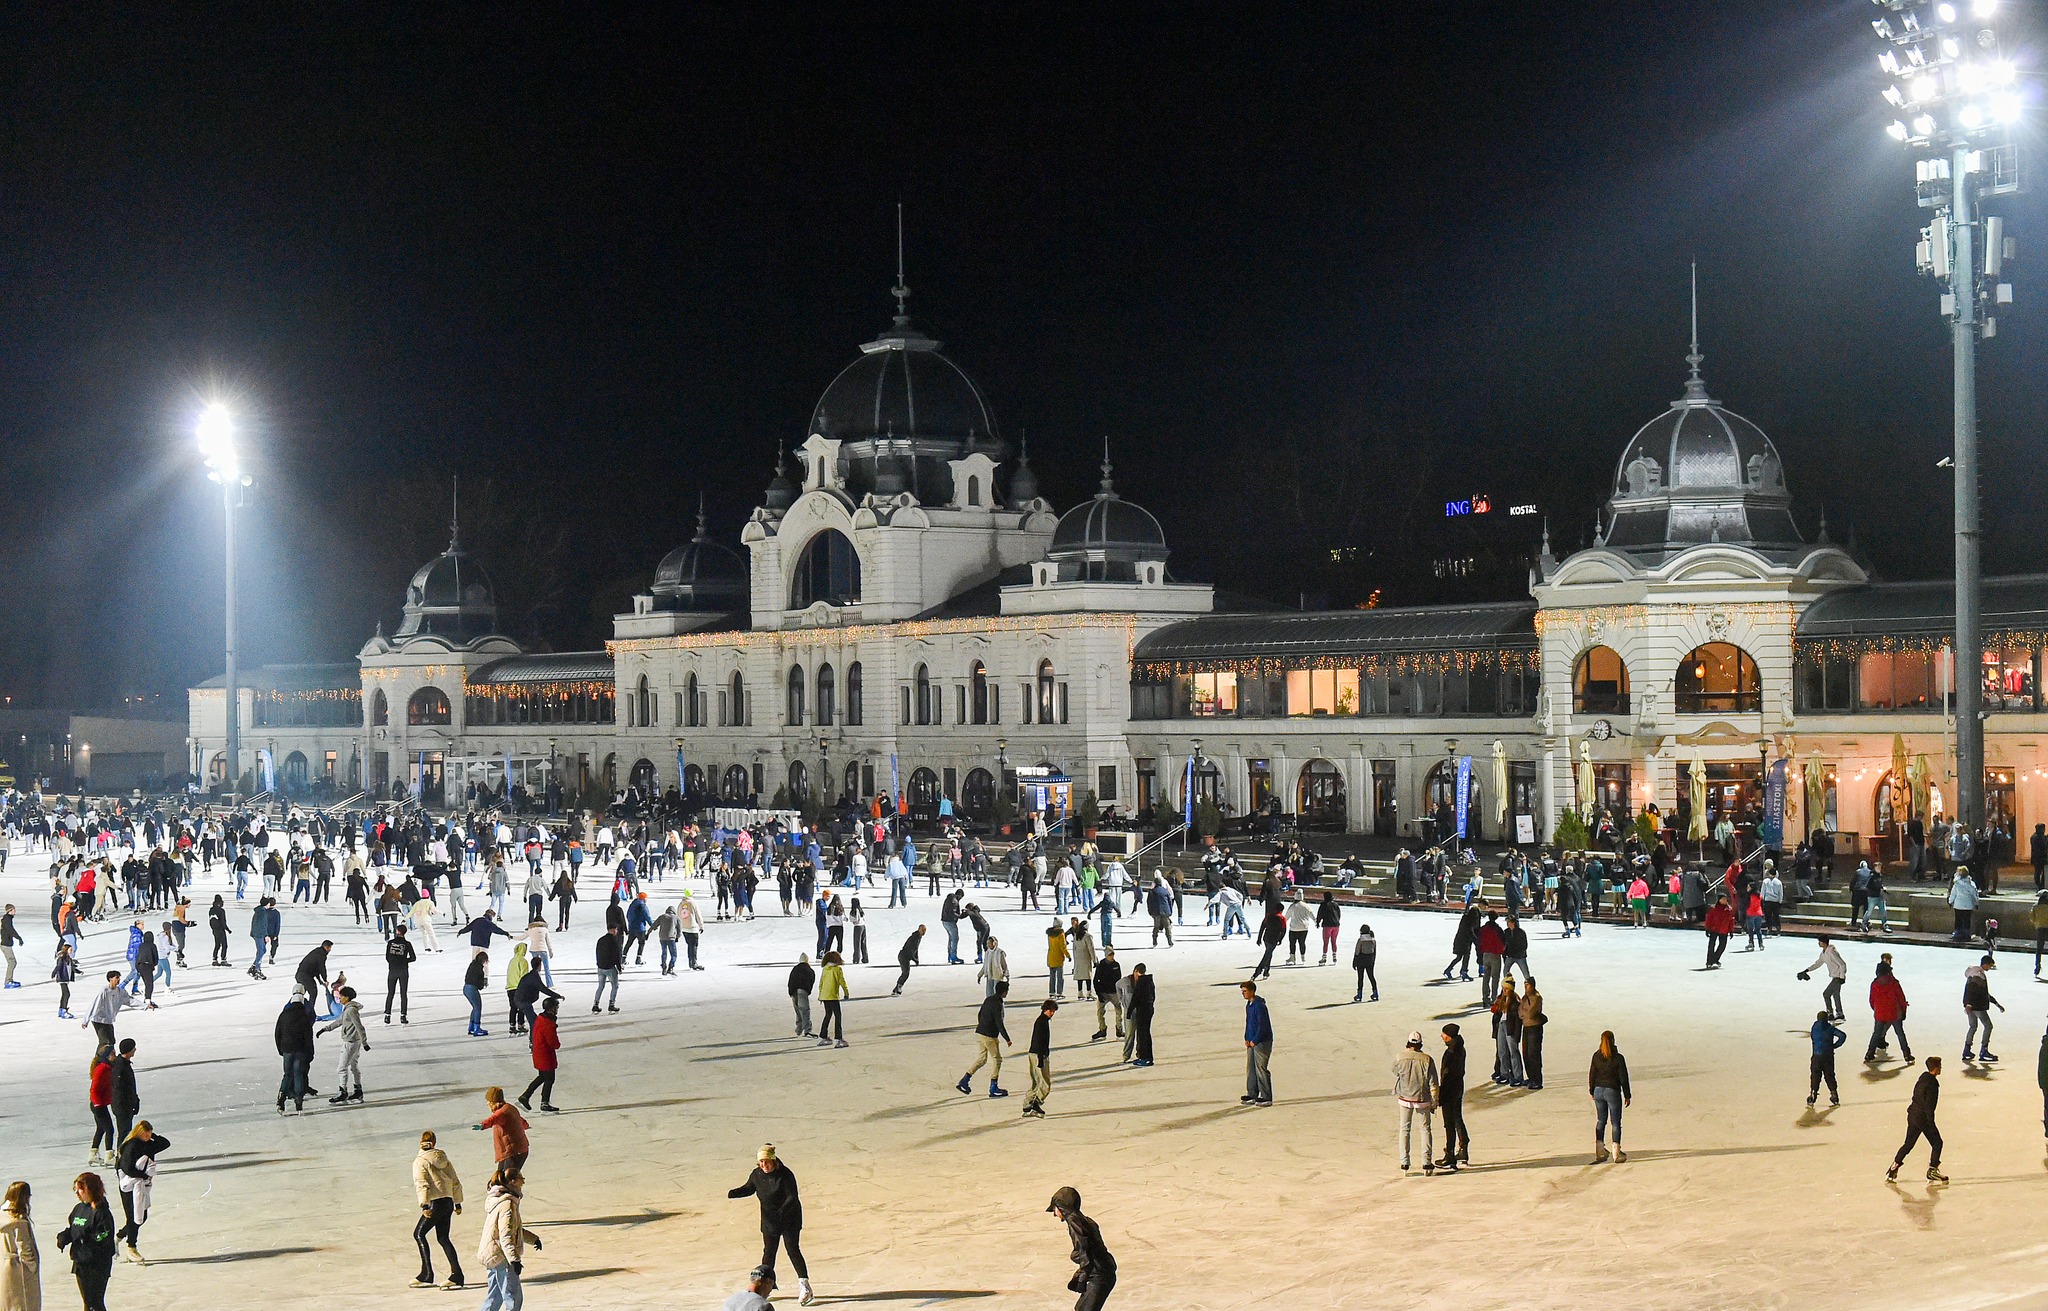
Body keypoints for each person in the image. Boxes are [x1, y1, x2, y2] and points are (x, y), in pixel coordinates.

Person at [728, 1145, 813, 1306]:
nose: (764, 1165)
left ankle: (805, 1286)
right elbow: (749, 1188)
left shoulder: (785, 1175)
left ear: (773, 1160)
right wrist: (733, 1193)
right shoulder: (757, 1175)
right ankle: (764, 1287)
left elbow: (792, 1197)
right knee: (769, 1254)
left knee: (793, 1250)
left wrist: (781, 1212)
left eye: (766, 1162)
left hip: (790, 1220)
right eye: (761, 1162)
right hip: (769, 1221)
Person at [476, 1166, 540, 1311]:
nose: (522, 1185)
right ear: (512, 1182)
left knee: (495, 1296)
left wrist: (533, 1239)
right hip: (501, 1256)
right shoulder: (508, 1204)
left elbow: (513, 1229)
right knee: (513, 1297)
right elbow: (506, 1235)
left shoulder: (498, 1199)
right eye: (520, 1182)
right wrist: (514, 1260)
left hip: (492, 1254)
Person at [1045, 1186, 1116, 1311]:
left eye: (1055, 1208)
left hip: (1100, 1276)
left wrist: (1082, 1278)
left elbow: (1084, 1251)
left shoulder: (1075, 1223)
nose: (1055, 1214)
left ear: (1061, 1207)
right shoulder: (1086, 1221)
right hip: (1103, 1273)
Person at [411, 1130, 465, 1290]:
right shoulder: (444, 1159)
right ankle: (457, 1275)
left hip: (434, 1203)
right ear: (434, 1142)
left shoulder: (420, 1161)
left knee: (419, 1234)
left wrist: (425, 1205)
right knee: (443, 1238)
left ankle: (426, 1274)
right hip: (447, 1202)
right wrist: (457, 1203)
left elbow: (422, 1183)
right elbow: (455, 1180)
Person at [54, 1173, 114, 1311]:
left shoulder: (102, 1212)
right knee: (88, 1301)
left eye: (80, 1189)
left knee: (95, 1302)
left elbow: (104, 1235)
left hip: (97, 1264)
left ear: (90, 1189)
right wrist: (65, 1236)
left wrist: (87, 1240)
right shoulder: (79, 1209)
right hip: (80, 1262)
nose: (77, 1193)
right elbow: (74, 1228)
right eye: (75, 1190)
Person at [112, 1120, 166, 1264]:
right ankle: (131, 1248)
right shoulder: (131, 1145)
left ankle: (119, 1236)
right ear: (139, 1133)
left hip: (142, 1185)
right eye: (146, 1134)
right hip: (129, 1186)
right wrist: (143, 1175)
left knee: (142, 1216)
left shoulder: (148, 1144)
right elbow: (126, 1167)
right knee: (133, 1217)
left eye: (150, 1134)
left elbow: (165, 1143)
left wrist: (152, 1135)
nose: (149, 1137)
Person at [1887, 1057, 1948, 1183]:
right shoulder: (1932, 1084)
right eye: (1940, 1066)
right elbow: (1929, 1106)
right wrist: (1931, 1123)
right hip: (1923, 1118)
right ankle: (1932, 1170)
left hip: (1913, 1114)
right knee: (1937, 1143)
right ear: (1936, 1068)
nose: (1941, 1068)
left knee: (1908, 1144)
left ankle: (1894, 1167)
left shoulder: (1922, 1079)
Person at [1391, 1030, 1439, 1174]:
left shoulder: (1400, 1057)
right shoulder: (1427, 1059)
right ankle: (1426, 1161)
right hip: (1422, 1098)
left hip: (1405, 1097)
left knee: (1404, 1129)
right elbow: (1433, 1082)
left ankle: (1404, 1162)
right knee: (1425, 1129)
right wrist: (1434, 1101)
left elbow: (1394, 1071)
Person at [958, 980, 1012, 1098]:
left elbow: (980, 1014)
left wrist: (982, 1025)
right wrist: (1007, 1038)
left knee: (982, 1059)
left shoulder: (988, 999)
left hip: (980, 1033)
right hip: (989, 1036)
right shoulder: (997, 1003)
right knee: (997, 1059)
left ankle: (964, 1080)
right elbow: (999, 1022)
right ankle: (993, 1087)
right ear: (1004, 992)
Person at [317, 985, 369, 1104]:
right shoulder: (348, 1008)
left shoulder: (351, 1010)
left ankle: (342, 1092)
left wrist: (365, 1042)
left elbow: (359, 1026)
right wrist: (326, 1029)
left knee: (342, 1068)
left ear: (347, 997)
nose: (339, 999)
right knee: (353, 1066)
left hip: (350, 1042)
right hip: (354, 1040)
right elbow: (340, 1021)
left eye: (341, 997)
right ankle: (358, 1090)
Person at [1589, 1030, 1631, 1163]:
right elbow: (1623, 1078)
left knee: (1601, 1120)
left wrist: (1592, 1091)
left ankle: (1600, 1149)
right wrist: (1627, 1095)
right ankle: (1616, 1152)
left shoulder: (1596, 1056)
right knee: (1615, 1122)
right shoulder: (1618, 1058)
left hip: (1598, 1091)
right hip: (1612, 1091)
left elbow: (1592, 1075)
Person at [274, 988, 315, 1114]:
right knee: (298, 1074)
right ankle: (298, 1101)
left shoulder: (283, 1015)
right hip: (300, 1050)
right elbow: (308, 1036)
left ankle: (281, 1096)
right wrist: (310, 1052)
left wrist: (280, 1049)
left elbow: (277, 1033)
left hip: (286, 1049)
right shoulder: (304, 1016)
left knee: (287, 1074)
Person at [1866, 959, 1913, 1063]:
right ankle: (1907, 1054)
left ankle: (1869, 1053)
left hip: (1880, 1013)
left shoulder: (1874, 984)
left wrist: (1877, 1010)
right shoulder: (1894, 983)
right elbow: (1901, 998)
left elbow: (1871, 1000)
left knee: (1876, 1033)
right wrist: (1904, 1011)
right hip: (1894, 1013)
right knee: (1900, 1034)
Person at [520, 998, 563, 1113]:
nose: (557, 1009)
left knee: (544, 1077)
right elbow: (553, 1042)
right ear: (552, 1008)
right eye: (556, 1007)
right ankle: (532, 1099)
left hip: (539, 1052)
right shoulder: (548, 1023)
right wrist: (557, 1044)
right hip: (545, 1054)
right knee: (548, 1078)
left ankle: (529, 1099)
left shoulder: (541, 1019)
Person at [1436, 1024, 1469, 1171]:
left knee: (1449, 1123)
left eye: (1443, 1034)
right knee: (1457, 1118)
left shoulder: (1451, 1052)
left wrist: (1440, 1094)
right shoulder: (1459, 1048)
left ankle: (1449, 1155)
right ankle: (1463, 1148)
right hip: (1458, 1088)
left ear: (1449, 1036)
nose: (1441, 1036)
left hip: (1450, 1090)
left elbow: (1446, 1075)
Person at [0, 1181, 37, 1311]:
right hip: (17, 1268)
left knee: (6, 1304)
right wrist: (32, 1267)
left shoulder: (2, 1215)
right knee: (22, 1303)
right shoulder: (18, 1219)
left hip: (2, 1266)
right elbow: (25, 1248)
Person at [1962, 954, 2004, 1062]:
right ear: (1985, 964)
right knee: (1988, 1026)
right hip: (1978, 1007)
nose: (1990, 967)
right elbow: (1973, 990)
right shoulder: (1978, 976)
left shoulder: (1974, 973)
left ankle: (1967, 1050)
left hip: (1971, 1007)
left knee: (1973, 1027)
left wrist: (1996, 1004)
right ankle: (1984, 1050)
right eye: (1990, 965)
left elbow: (1982, 993)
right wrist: (1969, 1004)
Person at [478, 1087, 529, 1175]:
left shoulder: (502, 1112)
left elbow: (493, 1119)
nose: (487, 1104)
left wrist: (482, 1125)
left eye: (489, 1102)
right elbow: (519, 1120)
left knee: (507, 1180)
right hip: (514, 1151)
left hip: (514, 1152)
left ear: (495, 1102)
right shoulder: (510, 1108)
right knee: (500, 1178)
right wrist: (525, 1125)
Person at [1022, 998, 1058, 1118]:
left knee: (1036, 1082)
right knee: (1045, 1083)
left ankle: (1027, 1104)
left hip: (1034, 1054)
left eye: (1053, 1011)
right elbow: (1038, 1040)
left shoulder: (1042, 1021)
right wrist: (1041, 1059)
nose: (1052, 1013)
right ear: (1045, 1010)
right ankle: (1036, 1103)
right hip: (1038, 1055)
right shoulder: (1041, 1022)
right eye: (1051, 1011)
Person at [1798, 936, 1847, 1020]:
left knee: (1826, 994)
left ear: (1824, 942)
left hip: (1837, 977)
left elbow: (1842, 964)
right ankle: (1840, 1013)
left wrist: (1842, 977)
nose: (1818, 943)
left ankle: (1830, 1013)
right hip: (1835, 976)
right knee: (1836, 995)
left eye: (1820, 942)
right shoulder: (1824, 953)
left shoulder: (1831, 952)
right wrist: (1806, 970)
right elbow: (1818, 963)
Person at [1808, 1009, 1845, 1108]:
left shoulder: (1814, 1027)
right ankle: (1834, 1094)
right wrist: (1835, 1045)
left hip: (1816, 1056)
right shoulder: (1830, 1028)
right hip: (1828, 1056)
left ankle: (1813, 1093)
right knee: (1829, 1075)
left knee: (1815, 1074)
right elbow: (1842, 1036)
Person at [384, 924, 417, 1025]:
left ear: (397, 931)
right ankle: (403, 1016)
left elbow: (387, 957)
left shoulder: (390, 943)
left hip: (392, 971)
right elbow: (413, 958)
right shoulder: (407, 944)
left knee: (390, 993)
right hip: (403, 971)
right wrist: (404, 961)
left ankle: (387, 1015)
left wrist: (394, 962)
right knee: (403, 994)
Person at [1519, 979, 1547, 1091]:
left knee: (1534, 1054)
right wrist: (1525, 1011)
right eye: (1525, 985)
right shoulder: (1524, 998)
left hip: (1535, 1028)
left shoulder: (1536, 997)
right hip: (1526, 1028)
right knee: (1526, 1053)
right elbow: (1520, 1012)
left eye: (1528, 985)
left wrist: (1524, 1011)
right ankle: (1530, 1077)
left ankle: (1537, 1080)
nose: (1526, 987)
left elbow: (1531, 1014)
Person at [817, 951, 849, 1048]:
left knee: (828, 1014)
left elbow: (821, 982)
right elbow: (842, 982)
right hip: (832, 996)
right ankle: (839, 1038)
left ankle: (823, 1036)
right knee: (838, 1016)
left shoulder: (825, 969)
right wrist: (846, 992)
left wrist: (820, 995)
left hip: (824, 996)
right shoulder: (837, 970)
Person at [1090, 948, 1123, 1043]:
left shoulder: (1116, 965)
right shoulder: (1101, 965)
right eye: (1110, 955)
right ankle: (1102, 1029)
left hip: (1113, 992)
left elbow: (1119, 980)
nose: (1112, 957)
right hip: (1103, 993)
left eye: (1112, 954)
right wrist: (1098, 993)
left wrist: (1119, 992)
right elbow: (1096, 980)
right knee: (1100, 1012)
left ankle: (1119, 1029)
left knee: (1118, 1010)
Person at [1126, 964, 1155, 1067]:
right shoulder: (1150, 981)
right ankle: (1149, 1057)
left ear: (1136, 971)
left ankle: (1143, 1058)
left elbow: (1135, 998)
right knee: (1147, 1033)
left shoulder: (1140, 982)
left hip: (1142, 1011)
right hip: (1150, 1009)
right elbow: (1153, 995)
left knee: (1142, 1035)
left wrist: (1129, 1013)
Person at [592, 925, 623, 1013]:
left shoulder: (601, 940)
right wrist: (619, 968)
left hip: (601, 967)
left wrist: (599, 963)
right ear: (613, 930)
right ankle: (611, 1005)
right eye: (616, 929)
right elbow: (616, 955)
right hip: (610, 967)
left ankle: (595, 1004)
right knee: (615, 986)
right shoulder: (613, 941)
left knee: (601, 986)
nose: (616, 931)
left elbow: (597, 952)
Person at [1947, 866, 1980, 942]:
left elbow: (1953, 894)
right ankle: (1966, 933)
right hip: (1968, 905)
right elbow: (1975, 894)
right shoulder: (1971, 884)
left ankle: (1957, 933)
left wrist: (1950, 901)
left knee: (1958, 920)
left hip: (1958, 905)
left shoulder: (1957, 884)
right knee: (1967, 920)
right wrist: (1976, 903)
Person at [890, 927, 924, 997]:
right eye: (922, 930)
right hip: (903, 956)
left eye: (924, 930)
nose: (924, 932)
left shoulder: (918, 937)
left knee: (905, 973)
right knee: (906, 973)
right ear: (919, 930)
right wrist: (914, 959)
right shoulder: (914, 938)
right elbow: (910, 950)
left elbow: (915, 949)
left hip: (905, 956)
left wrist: (917, 959)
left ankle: (896, 989)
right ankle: (899, 987)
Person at [788, 954, 816, 1038]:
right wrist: (808, 991)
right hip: (802, 990)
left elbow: (790, 980)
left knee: (797, 1010)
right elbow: (811, 981)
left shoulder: (795, 969)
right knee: (804, 1010)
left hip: (793, 991)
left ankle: (799, 1029)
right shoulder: (809, 970)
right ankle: (807, 1029)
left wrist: (790, 992)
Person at [1702, 895, 1734, 969]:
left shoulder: (1729, 909)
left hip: (1724, 930)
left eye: (1726, 899)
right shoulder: (1713, 908)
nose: (1725, 900)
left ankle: (1715, 959)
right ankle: (1709, 961)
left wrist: (1731, 930)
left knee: (1722, 946)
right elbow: (1709, 918)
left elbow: (1731, 920)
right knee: (1711, 946)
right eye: (1723, 899)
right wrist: (1707, 928)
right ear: (1719, 900)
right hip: (1714, 929)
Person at [1352, 923, 1378, 1003]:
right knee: (1371, 977)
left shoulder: (1360, 940)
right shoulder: (1373, 939)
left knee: (1360, 978)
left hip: (1361, 959)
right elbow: (1374, 952)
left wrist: (1354, 962)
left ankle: (1359, 995)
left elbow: (1357, 951)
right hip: (1370, 960)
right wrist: (1373, 960)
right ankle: (1375, 993)